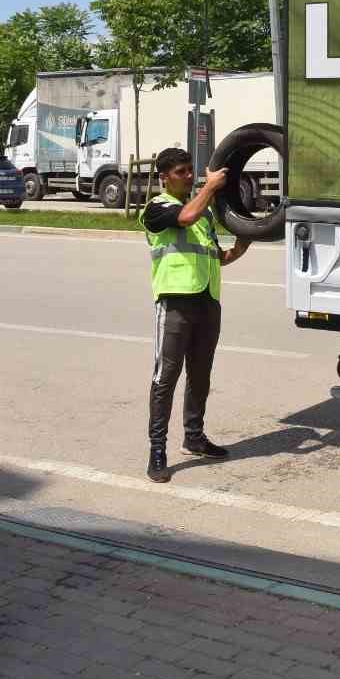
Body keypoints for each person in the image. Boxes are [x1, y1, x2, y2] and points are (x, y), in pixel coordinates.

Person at [139, 147, 249, 482]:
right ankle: (157, 449)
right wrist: (210, 187)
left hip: (207, 300)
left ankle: (194, 437)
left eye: (191, 171)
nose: (189, 176)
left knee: (200, 375)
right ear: (164, 177)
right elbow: (183, 218)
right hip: (176, 302)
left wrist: (243, 245)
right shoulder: (156, 208)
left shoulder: (204, 215)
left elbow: (216, 256)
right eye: (182, 172)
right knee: (165, 377)